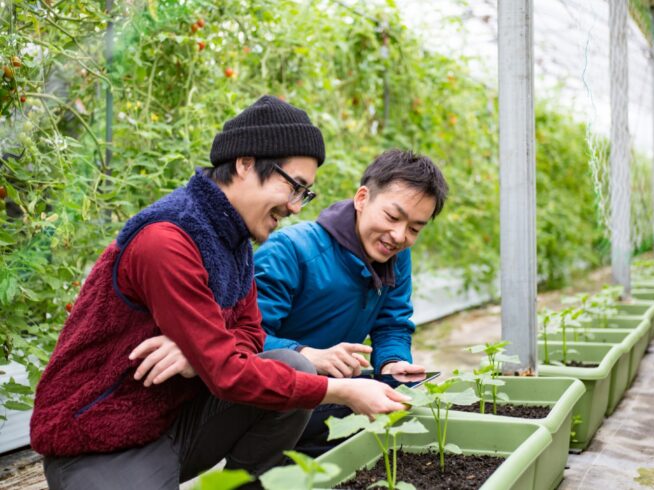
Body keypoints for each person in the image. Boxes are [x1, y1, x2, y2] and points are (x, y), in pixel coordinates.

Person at [30, 96, 408, 490]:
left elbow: (251, 335)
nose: (296, 207)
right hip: (100, 438)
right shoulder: (167, 240)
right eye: (294, 187)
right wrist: (344, 390)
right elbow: (227, 373)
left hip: (174, 421)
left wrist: (199, 353)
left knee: (293, 368)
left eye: (305, 193)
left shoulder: (233, 241)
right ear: (245, 163)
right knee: (293, 380)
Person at [254, 149, 448, 455]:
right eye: (392, 217)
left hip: (334, 393)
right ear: (362, 198)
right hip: (271, 403)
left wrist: (392, 362)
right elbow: (243, 342)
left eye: (414, 229)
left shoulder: (396, 257)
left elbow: (393, 323)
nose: (399, 236)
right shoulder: (289, 251)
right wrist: (306, 354)